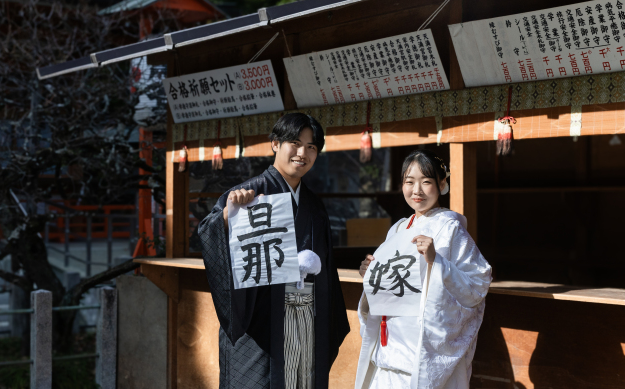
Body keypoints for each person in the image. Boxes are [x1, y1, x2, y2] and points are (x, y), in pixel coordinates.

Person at [198, 113, 350, 389]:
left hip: (303, 320)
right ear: (275, 144)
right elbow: (208, 231)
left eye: (312, 147)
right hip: (259, 324)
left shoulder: (315, 206)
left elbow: (326, 270)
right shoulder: (250, 194)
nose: (303, 153)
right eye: (295, 142)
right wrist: (227, 217)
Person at [354, 149, 492, 389]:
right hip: (389, 346)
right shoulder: (397, 229)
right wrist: (371, 275)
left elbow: (477, 283)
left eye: (426, 182)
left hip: (422, 347)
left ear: (442, 184)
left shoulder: (451, 229)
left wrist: (436, 261)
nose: (416, 191)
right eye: (409, 182)